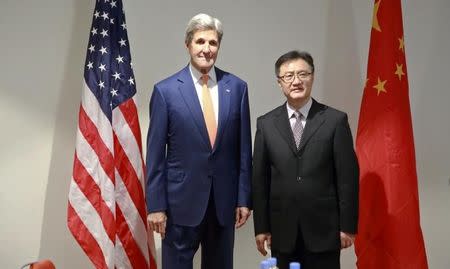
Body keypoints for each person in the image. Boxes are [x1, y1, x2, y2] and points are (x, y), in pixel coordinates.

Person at [145, 13, 252, 269]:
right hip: (179, 205)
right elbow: (156, 156)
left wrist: (243, 198)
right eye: (200, 41)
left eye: (213, 43)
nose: (206, 49)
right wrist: (156, 206)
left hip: (223, 205)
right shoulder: (166, 91)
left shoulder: (237, 87)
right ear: (188, 45)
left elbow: (243, 149)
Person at [252, 50, 359, 269]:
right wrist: (261, 227)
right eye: (288, 76)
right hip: (283, 232)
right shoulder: (266, 124)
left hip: (325, 231)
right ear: (279, 83)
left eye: (303, 74)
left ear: (312, 76)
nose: (296, 81)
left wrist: (347, 225)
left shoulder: (334, 120)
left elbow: (347, 177)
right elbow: (260, 181)